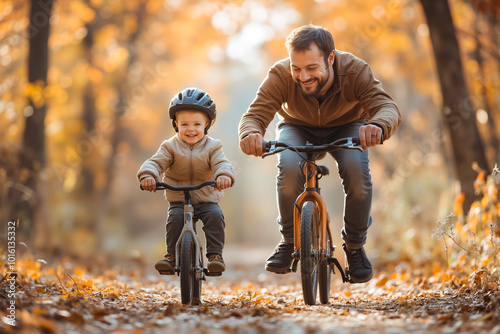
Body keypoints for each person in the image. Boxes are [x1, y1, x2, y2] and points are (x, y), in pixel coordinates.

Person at [238, 25, 401, 283]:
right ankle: (289, 240)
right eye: (297, 68)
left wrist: (378, 126)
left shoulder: (355, 70)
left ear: (331, 58)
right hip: (296, 126)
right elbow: (255, 114)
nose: (303, 77)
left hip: (347, 126)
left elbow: (386, 106)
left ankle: (355, 248)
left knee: (357, 174)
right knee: (289, 168)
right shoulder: (280, 74)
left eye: (312, 68)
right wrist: (250, 134)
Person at [138, 87, 235, 274]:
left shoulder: (213, 147)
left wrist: (223, 176)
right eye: (184, 124)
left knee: (215, 216)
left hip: (207, 198)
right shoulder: (170, 147)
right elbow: (156, 162)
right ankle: (171, 256)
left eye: (197, 124)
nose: (191, 129)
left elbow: (222, 163)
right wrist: (148, 176)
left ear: (206, 124)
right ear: (176, 124)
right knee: (174, 220)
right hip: (179, 199)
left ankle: (215, 256)